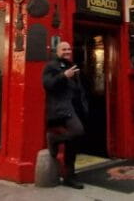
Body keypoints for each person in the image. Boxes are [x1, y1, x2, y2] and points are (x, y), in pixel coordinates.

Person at [42, 41, 87, 189]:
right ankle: (54, 138)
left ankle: (69, 176)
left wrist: (84, 106)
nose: (67, 51)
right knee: (77, 131)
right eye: (64, 49)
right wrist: (64, 75)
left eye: (69, 49)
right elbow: (47, 84)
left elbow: (78, 89)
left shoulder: (71, 65)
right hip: (61, 108)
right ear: (57, 51)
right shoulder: (51, 66)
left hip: (73, 108)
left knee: (73, 143)